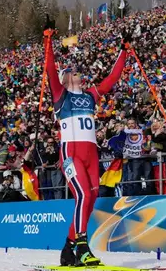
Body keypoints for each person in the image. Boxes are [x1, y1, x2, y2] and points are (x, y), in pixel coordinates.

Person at [43, 19, 130, 267]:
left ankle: (69, 249)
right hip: (71, 153)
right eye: (71, 71)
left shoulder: (91, 95)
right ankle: (82, 246)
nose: (76, 72)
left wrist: (124, 50)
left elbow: (112, 78)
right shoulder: (61, 95)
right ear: (65, 77)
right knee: (82, 194)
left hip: (91, 155)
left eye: (77, 70)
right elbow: (49, 69)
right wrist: (48, 40)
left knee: (90, 200)